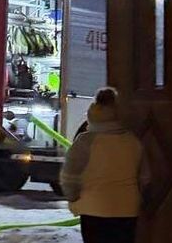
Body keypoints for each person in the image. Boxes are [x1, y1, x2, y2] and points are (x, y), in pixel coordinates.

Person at [60, 88, 150, 243]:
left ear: (92, 114)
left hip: (93, 209)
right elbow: (145, 177)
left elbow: (69, 177)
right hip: (127, 210)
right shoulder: (133, 141)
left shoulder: (85, 141)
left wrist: (73, 198)